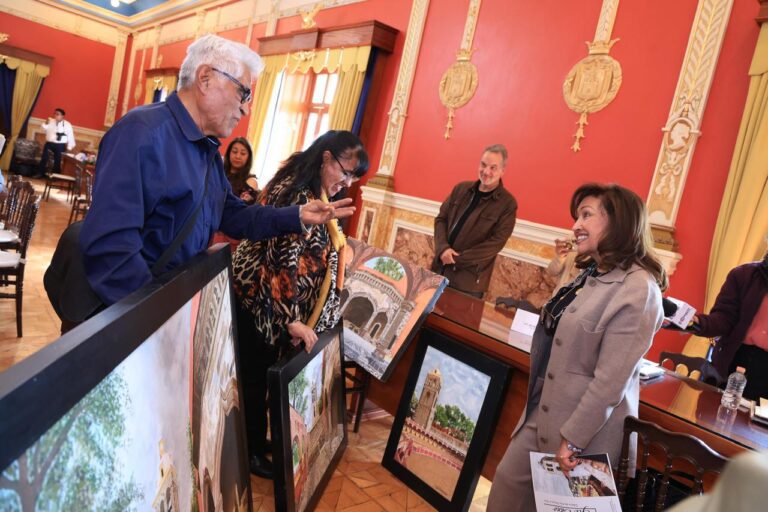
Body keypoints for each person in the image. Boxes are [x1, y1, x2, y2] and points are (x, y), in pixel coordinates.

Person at [79, 34, 353, 307]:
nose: (245, 109)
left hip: (163, 305)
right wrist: (152, 318)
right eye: (243, 93)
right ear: (205, 78)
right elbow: (112, 245)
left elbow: (233, 215)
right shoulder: (142, 133)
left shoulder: (206, 150)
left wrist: (297, 215)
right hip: (124, 313)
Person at [486, 183, 667, 512]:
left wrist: (573, 438)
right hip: (541, 414)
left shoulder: (639, 289)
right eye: (576, 216)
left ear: (618, 221)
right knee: (505, 492)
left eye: (586, 215)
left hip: (584, 438)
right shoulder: (591, 273)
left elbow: (609, 381)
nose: (575, 225)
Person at [231, 130, 369, 479]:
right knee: (252, 380)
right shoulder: (297, 192)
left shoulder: (313, 189)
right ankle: (247, 454)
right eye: (346, 171)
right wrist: (290, 318)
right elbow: (282, 257)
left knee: (259, 379)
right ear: (326, 158)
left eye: (354, 177)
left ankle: (255, 445)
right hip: (260, 302)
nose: (347, 182)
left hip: (270, 305)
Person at [431, 144, 517, 298]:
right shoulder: (460, 189)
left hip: (468, 283)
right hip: (438, 269)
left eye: (493, 168)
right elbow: (441, 219)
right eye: (483, 165)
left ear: (502, 171)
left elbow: (495, 243)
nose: (486, 172)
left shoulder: (507, 204)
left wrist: (455, 259)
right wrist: (443, 249)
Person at [689, 251, 768, 400]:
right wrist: (696, 323)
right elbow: (724, 318)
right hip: (732, 360)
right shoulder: (743, 275)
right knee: (710, 418)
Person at [35, 108, 75, 177]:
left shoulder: (67, 124)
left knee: (57, 161)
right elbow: (42, 129)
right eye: (55, 113)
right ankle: (40, 173)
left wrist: (69, 147)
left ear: (62, 116)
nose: (55, 115)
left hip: (60, 145)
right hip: (49, 144)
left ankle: (55, 176)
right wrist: (46, 122)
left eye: (57, 114)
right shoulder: (50, 121)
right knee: (44, 158)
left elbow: (70, 136)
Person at [223, 136, 259, 204]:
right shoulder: (220, 172)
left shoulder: (250, 181)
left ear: (249, 157)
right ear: (229, 153)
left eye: (243, 153)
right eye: (234, 152)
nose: (238, 156)